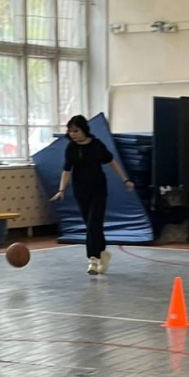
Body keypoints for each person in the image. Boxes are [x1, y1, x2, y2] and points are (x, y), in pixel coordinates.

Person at [51, 115, 134, 275]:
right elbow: (67, 170)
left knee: (93, 223)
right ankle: (102, 252)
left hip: (98, 189)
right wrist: (61, 190)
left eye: (76, 131)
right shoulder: (71, 148)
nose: (73, 134)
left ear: (84, 130)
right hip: (81, 191)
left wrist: (125, 179)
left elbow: (112, 162)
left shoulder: (97, 145)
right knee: (92, 226)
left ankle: (93, 259)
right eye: (70, 131)